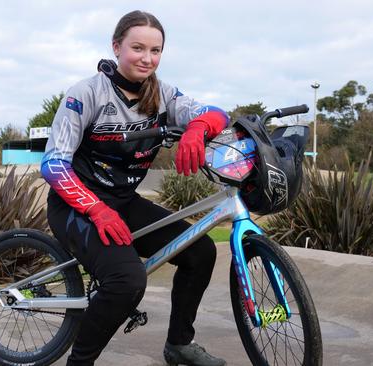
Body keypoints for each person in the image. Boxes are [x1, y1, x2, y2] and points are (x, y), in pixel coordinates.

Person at [40, 10, 229, 366]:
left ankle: (179, 345)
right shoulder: (86, 93)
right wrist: (95, 208)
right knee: (127, 281)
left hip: (124, 202)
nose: (147, 58)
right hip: (76, 205)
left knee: (200, 251)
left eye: (156, 51)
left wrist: (197, 128)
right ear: (117, 46)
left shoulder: (164, 94)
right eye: (137, 48)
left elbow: (215, 113)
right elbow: (53, 164)